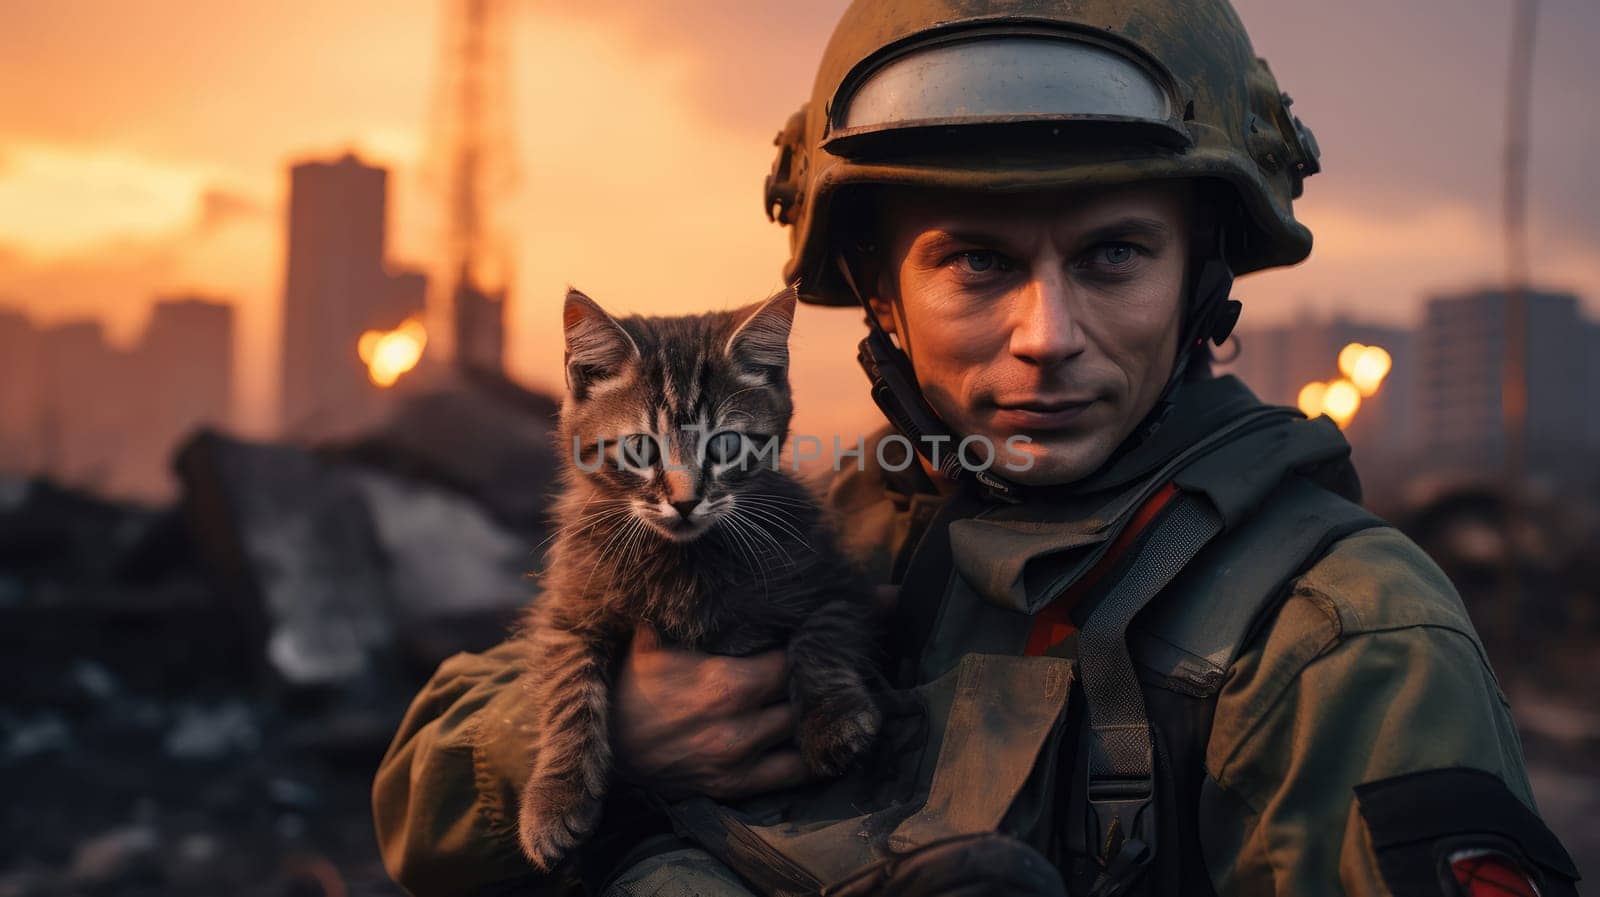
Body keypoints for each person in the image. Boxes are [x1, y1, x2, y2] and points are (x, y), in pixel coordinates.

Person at [372, 1, 1582, 895]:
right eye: (976, 263)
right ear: (877, 296)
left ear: (1201, 279)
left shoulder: (1338, 632)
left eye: (1112, 255)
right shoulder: (843, 520)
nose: (1045, 337)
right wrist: (612, 733)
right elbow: (418, 801)